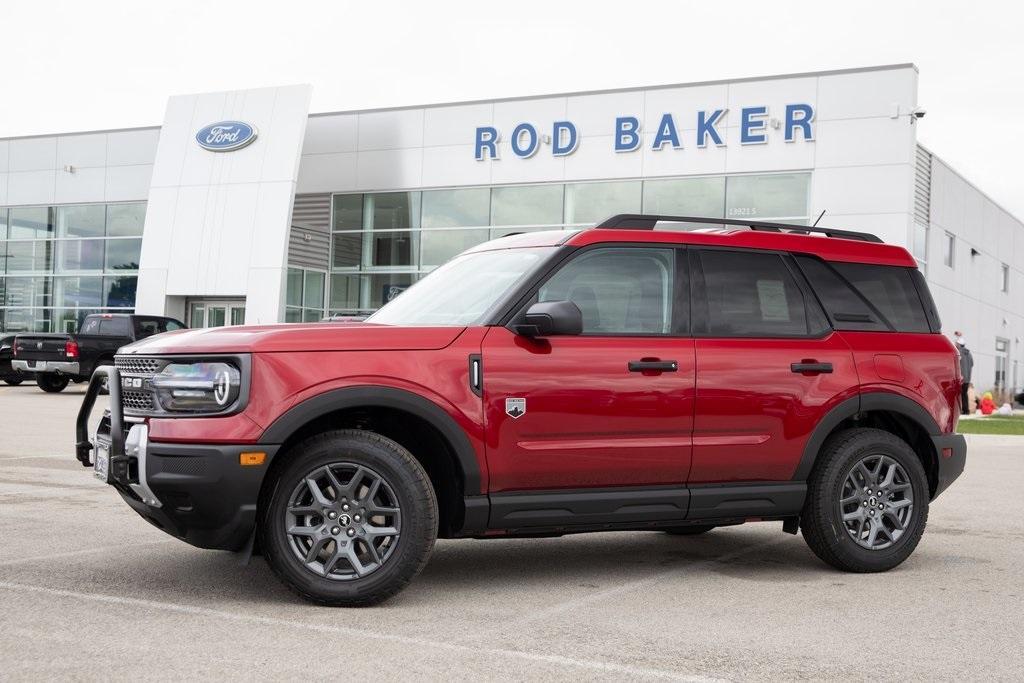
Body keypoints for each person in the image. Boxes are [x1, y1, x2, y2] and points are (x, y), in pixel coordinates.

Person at [955, 332, 974, 415]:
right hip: (967, 378)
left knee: (959, 395)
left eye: (956, 344)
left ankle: (962, 410)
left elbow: (956, 364)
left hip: (961, 378)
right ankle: (966, 410)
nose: (955, 345)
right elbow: (972, 364)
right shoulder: (969, 354)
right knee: (964, 394)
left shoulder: (959, 353)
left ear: (959, 345)